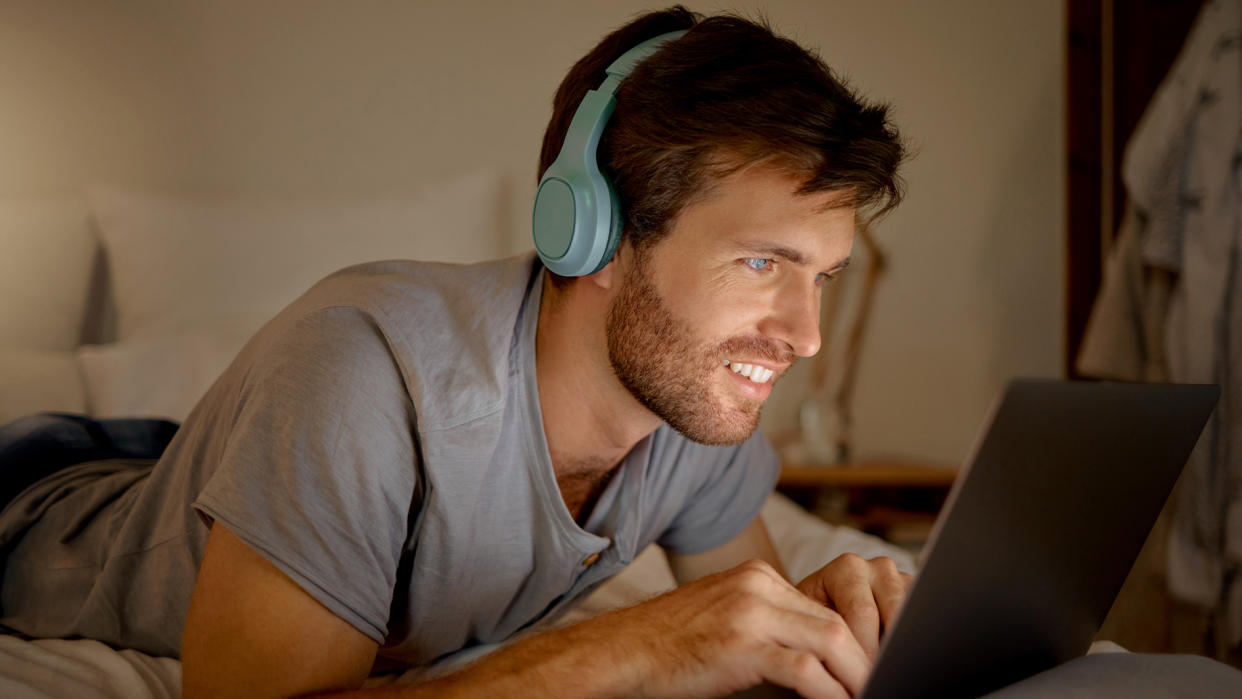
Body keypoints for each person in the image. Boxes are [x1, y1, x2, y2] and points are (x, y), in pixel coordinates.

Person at [0, 7, 910, 698]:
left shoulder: (692, 401)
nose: (804, 335)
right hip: (38, 492)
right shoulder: (361, 374)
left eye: (822, 276)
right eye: (761, 262)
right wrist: (645, 640)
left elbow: (751, 641)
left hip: (174, 456)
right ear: (591, 233)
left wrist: (826, 621)